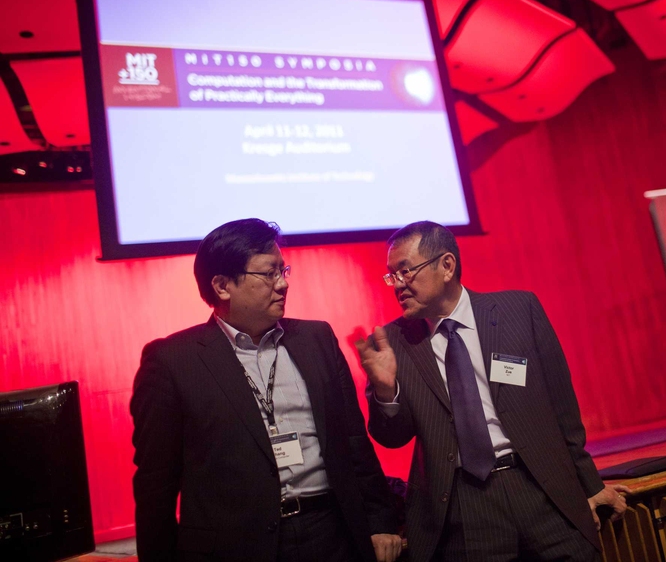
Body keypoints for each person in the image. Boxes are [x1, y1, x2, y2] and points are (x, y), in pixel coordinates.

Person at [357, 221, 631, 562]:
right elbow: (392, 438)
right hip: (464, 505)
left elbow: (563, 411)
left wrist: (590, 485)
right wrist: (386, 392)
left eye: (406, 271)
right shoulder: (394, 342)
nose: (397, 285)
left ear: (446, 266)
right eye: (391, 275)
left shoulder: (519, 310)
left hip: (540, 490)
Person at [131, 218, 402, 562]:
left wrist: (380, 522)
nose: (283, 284)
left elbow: (352, 441)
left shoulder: (316, 339)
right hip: (236, 544)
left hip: (331, 532)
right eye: (269, 273)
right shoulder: (173, 361)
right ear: (222, 286)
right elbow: (156, 484)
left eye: (284, 270)